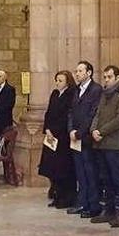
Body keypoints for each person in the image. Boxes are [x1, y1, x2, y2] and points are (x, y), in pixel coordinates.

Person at [88, 65, 119, 227]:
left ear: (117, 77)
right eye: (105, 77)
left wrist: (101, 131)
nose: (106, 80)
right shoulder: (104, 94)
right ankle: (109, 211)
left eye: (109, 77)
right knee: (106, 179)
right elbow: (97, 114)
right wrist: (93, 129)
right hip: (101, 143)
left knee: (118, 179)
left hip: (115, 144)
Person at [66, 61, 103, 217]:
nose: (77, 73)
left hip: (86, 138)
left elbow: (93, 114)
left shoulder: (96, 90)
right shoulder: (76, 90)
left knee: (90, 172)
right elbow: (71, 112)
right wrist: (71, 130)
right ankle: (82, 203)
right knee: (80, 173)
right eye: (76, 71)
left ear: (89, 73)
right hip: (75, 137)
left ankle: (93, 206)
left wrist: (80, 132)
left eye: (80, 71)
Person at [39, 70, 78, 209]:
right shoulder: (55, 94)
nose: (57, 83)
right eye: (56, 80)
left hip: (62, 137)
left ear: (67, 81)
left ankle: (66, 198)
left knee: (63, 169)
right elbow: (49, 113)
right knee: (52, 168)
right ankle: (56, 195)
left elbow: (67, 116)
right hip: (51, 137)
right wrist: (47, 129)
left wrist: (55, 131)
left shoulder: (71, 94)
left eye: (60, 80)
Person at [0, 69, 16, 144]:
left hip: (5, 120)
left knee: (4, 142)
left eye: (0, 76)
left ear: (5, 78)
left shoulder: (10, 89)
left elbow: (10, 104)